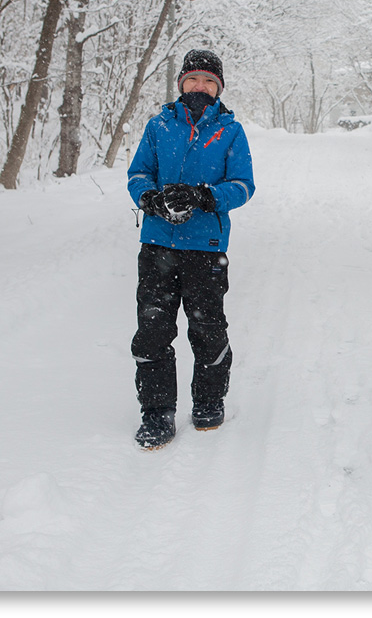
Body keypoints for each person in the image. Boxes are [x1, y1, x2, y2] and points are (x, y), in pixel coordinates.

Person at [127, 49, 255, 450]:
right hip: (157, 245)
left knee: (207, 328)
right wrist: (150, 199)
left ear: (218, 89)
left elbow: (243, 185)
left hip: (206, 247)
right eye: (193, 79)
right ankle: (157, 412)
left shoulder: (230, 131)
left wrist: (204, 196)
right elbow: (137, 173)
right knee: (152, 330)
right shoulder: (158, 125)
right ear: (181, 82)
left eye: (209, 82)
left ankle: (208, 400)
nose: (200, 87)